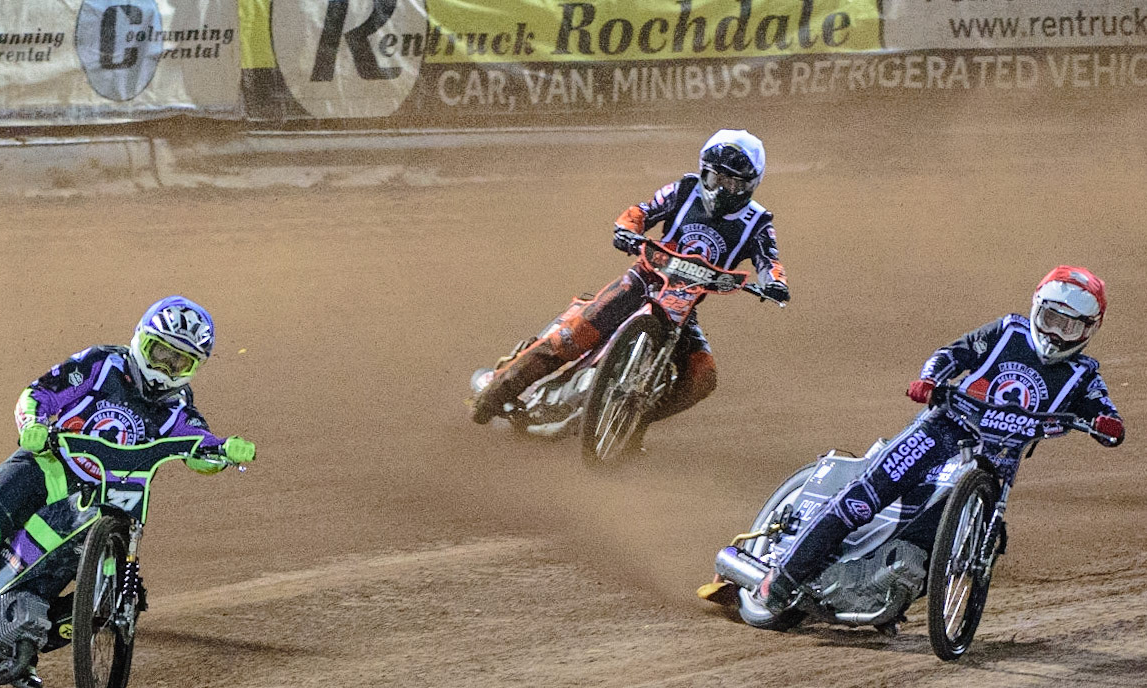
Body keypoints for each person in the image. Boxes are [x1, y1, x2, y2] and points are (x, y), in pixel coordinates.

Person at [0, 296, 255, 684]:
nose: (164, 367)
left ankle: (7, 641)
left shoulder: (177, 406)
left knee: (71, 583)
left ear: (193, 367)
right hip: (42, 468)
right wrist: (33, 423)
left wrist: (225, 450)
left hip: (97, 502)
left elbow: (198, 445)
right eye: (158, 351)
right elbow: (37, 392)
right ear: (139, 339)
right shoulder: (102, 363)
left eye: (178, 361)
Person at [756, 266, 1123, 609]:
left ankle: (887, 594)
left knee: (963, 540)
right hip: (944, 429)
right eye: (1050, 320)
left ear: (1089, 329)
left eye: (1068, 327)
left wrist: (1108, 425)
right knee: (866, 497)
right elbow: (953, 353)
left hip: (997, 462)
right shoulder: (1007, 332)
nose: (1055, 334)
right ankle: (783, 576)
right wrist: (930, 380)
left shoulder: (1083, 375)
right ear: (1036, 309)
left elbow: (1105, 414)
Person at [470, 129, 790, 428]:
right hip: (641, 281)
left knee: (703, 377)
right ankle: (494, 392)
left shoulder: (757, 222)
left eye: (732, 183)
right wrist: (627, 229)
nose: (721, 189)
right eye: (716, 177)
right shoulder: (683, 191)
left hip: (682, 308)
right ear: (704, 170)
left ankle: (628, 422)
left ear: (749, 185)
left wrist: (775, 284)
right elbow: (642, 211)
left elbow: (769, 260)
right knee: (572, 336)